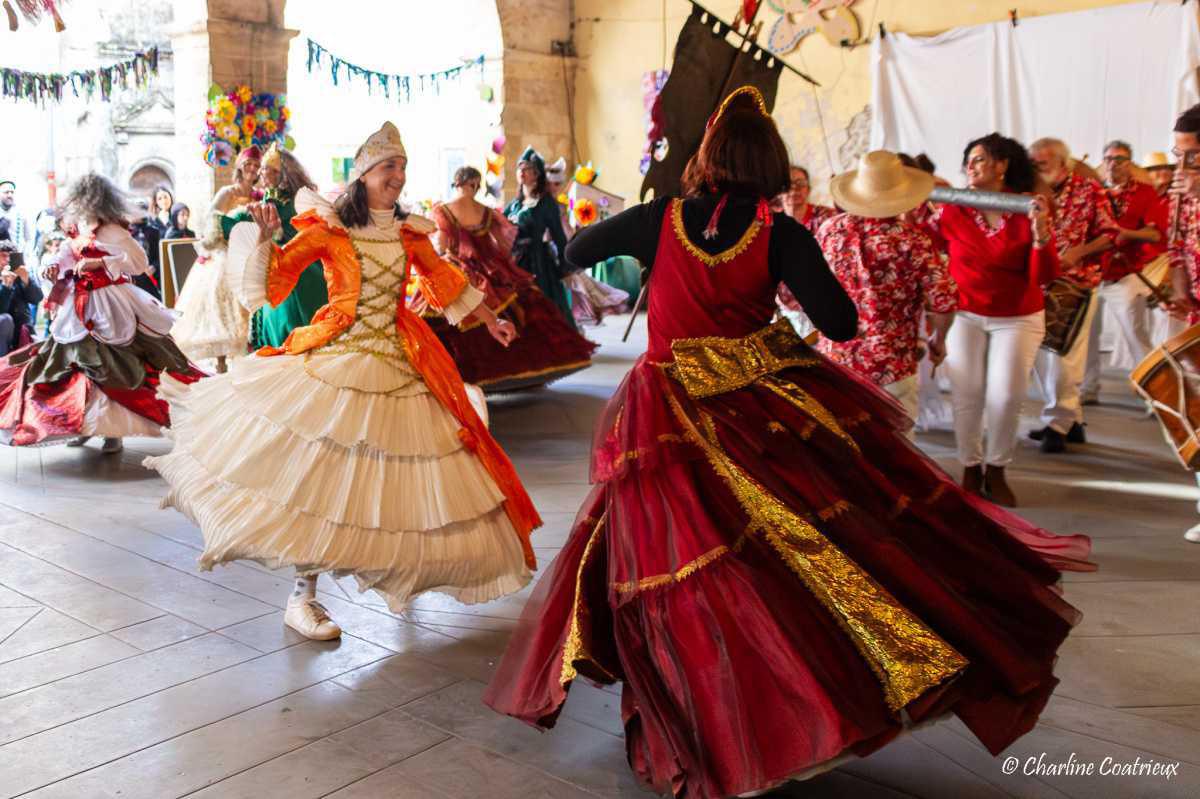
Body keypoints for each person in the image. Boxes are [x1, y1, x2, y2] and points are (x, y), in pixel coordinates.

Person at [484, 87, 1092, 799]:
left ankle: (704, 715)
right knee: (798, 551)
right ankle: (802, 705)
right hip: (756, 411)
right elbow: (839, 324)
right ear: (771, 165)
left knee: (676, 560)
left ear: (709, 158)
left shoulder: (661, 218)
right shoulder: (782, 233)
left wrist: (654, 256)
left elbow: (576, 249)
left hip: (665, 412)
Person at [146, 122, 541, 640]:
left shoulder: (408, 232)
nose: (398, 175)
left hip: (401, 362)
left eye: (403, 166)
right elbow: (277, 279)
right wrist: (264, 240)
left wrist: (491, 319)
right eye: (389, 166)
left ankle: (402, 572)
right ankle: (301, 598)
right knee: (321, 483)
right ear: (364, 175)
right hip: (339, 360)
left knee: (405, 476)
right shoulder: (331, 229)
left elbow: (443, 281)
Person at [0, 174, 203, 453]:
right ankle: (82, 425)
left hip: (111, 303)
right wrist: (53, 268)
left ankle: (112, 433)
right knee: (75, 364)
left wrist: (102, 263)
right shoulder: (77, 228)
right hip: (77, 306)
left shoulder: (114, 230)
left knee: (110, 365)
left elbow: (139, 262)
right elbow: (65, 257)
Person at [920, 133, 1057, 506]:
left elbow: (1044, 276)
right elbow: (924, 245)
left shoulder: (1029, 207)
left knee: (1006, 394)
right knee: (967, 391)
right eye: (968, 160)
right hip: (965, 312)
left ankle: (997, 467)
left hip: (1018, 315)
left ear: (1002, 165)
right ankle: (970, 465)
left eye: (979, 159)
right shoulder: (953, 209)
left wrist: (1041, 236)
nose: (971, 166)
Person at [817, 151, 957, 431]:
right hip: (893, 366)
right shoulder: (913, 241)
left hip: (837, 361)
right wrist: (939, 340)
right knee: (898, 450)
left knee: (844, 446)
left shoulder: (829, 230)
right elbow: (943, 302)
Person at [428, 165, 597, 391]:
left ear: (457, 182)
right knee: (518, 309)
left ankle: (463, 379)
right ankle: (515, 371)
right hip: (492, 268)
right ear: (475, 184)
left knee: (449, 313)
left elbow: (441, 246)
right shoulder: (485, 211)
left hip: (458, 268)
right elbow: (502, 245)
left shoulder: (443, 210)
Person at [1026, 137, 1119, 453]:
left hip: (1076, 282)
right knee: (1040, 355)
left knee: (1064, 356)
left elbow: (1110, 234)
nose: (1037, 168)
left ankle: (1058, 424)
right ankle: (1071, 419)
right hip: (1037, 283)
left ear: (1063, 163)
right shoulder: (1030, 192)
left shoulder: (1088, 189)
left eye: (1043, 162)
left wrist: (1078, 252)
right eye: (1033, 163)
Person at [1080, 141, 1165, 404]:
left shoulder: (1145, 193)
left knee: (1135, 334)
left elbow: (1154, 233)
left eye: (1120, 159)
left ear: (1130, 164)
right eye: (1109, 159)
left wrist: (1126, 234)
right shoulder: (1090, 192)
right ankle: (1087, 388)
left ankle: (1155, 395)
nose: (1113, 164)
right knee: (1085, 335)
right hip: (1092, 273)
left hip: (1124, 273)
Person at [226, 143, 327, 350]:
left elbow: (247, 218)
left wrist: (220, 222)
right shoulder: (299, 198)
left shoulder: (277, 201)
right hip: (305, 270)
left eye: (265, 169)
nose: (260, 173)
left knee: (287, 334)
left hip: (287, 275)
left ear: (279, 173)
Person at [169, 145, 261, 369]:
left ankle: (249, 355)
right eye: (248, 164)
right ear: (240, 166)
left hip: (250, 252)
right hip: (226, 253)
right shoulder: (227, 193)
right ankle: (221, 361)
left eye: (256, 165)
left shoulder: (259, 195)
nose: (252, 168)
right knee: (222, 304)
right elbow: (211, 221)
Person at [1163, 103, 1200, 543]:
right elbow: (1175, 250)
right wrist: (1179, 290)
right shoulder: (1182, 195)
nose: (1182, 164)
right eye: (1177, 154)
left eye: (1191, 155)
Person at [505, 147, 575, 326]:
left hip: (538, 262)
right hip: (514, 261)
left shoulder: (546, 203)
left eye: (527, 168)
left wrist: (564, 267)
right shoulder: (514, 205)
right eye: (520, 168)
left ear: (537, 174)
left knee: (541, 305)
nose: (522, 172)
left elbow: (559, 236)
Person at [0, 240, 44, 356]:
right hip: (3, 332)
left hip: (21, 331)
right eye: (3, 256)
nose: (7, 260)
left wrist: (26, 280)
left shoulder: (20, 275)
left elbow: (37, 298)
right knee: (6, 319)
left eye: (11, 257)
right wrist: (6, 286)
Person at [0, 180, 30, 260]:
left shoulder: (21, 213)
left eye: (12, 192)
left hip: (16, 257)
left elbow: (28, 238)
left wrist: (26, 256)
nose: (10, 195)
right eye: (6, 192)